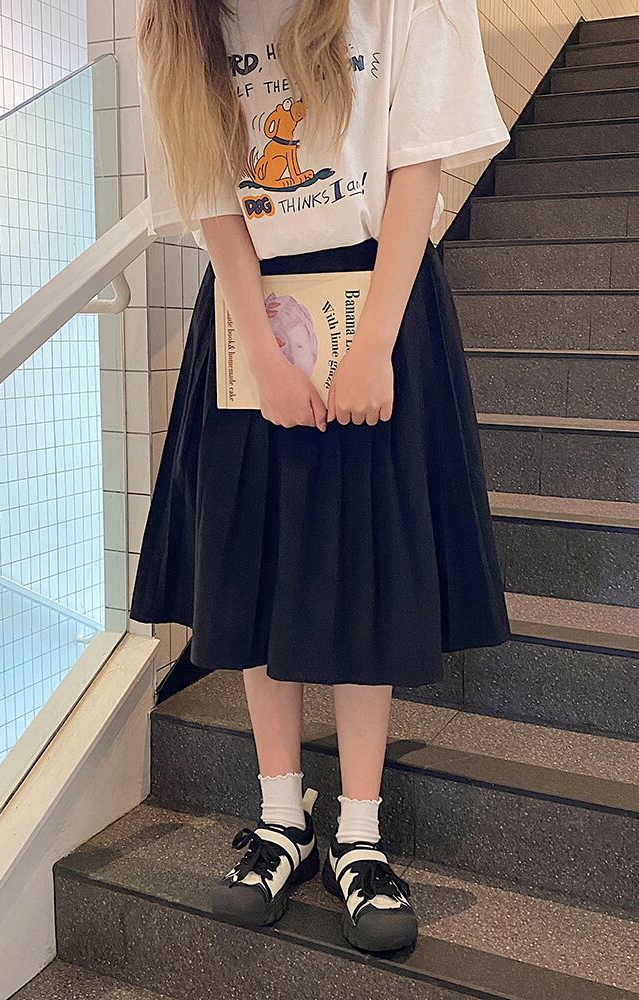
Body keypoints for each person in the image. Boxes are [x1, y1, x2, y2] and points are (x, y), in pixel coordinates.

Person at [130, 0, 511, 955]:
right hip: (250, 309)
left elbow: (418, 164)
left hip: (378, 293)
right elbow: (212, 190)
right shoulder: (178, 19)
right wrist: (263, 352)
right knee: (256, 563)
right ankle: (280, 818)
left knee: (364, 561)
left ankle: (361, 833)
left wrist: (376, 341)